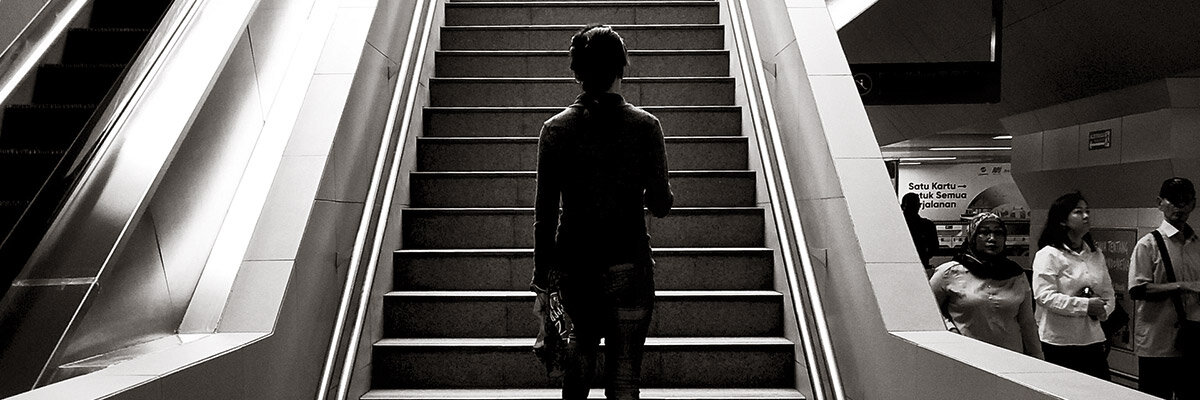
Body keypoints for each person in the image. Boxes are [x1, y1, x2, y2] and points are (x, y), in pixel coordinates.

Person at [530, 24, 673, 400]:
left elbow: (545, 215)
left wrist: (541, 281)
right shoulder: (646, 127)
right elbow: (661, 205)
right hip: (630, 262)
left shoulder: (555, 130)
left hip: (575, 267)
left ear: (577, 73)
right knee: (624, 380)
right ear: (621, 68)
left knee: (577, 364)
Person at [930, 213, 1044, 359]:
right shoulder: (949, 272)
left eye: (998, 233)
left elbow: (1027, 323)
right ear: (972, 236)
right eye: (984, 232)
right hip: (966, 358)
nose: (992, 238)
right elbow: (927, 310)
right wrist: (950, 329)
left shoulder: (1016, 275)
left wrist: (1038, 357)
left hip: (1011, 359)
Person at [1128, 177, 1200, 399]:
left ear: (1193, 204)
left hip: (1191, 343)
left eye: (1185, 201)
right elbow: (1137, 290)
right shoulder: (1148, 244)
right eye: (1173, 200)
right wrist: (1182, 286)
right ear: (1160, 203)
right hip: (1157, 345)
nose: (1179, 207)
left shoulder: (1197, 245)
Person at [1031, 191, 1115, 379]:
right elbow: (1044, 296)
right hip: (1059, 343)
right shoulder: (1049, 254)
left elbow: (1108, 292)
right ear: (1062, 220)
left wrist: (1104, 310)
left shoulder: (1095, 254)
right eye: (1078, 212)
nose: (1086, 216)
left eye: (1087, 211)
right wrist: (1085, 306)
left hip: (1093, 339)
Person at [902, 192, 940, 274]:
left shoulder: (897, 226)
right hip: (922, 265)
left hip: (902, 267)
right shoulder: (927, 225)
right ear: (919, 206)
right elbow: (934, 248)